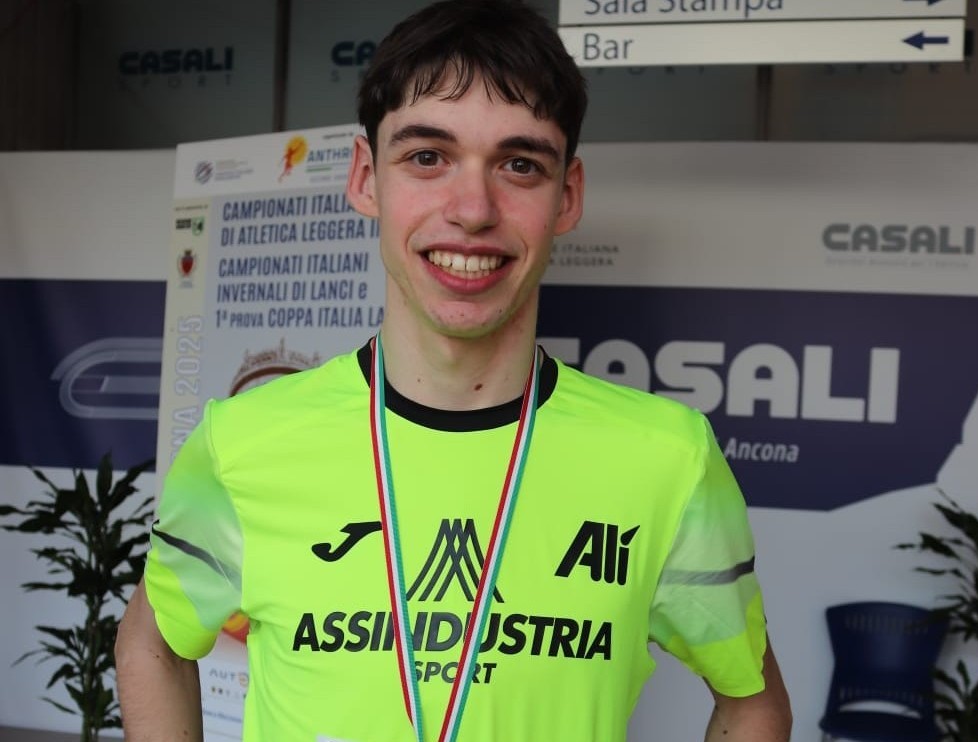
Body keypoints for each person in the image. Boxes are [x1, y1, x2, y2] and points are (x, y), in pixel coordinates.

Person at [115, 1, 792, 740]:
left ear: (566, 197)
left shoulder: (669, 459)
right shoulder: (242, 444)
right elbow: (154, 641)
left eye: (520, 164)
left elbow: (751, 698)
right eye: (427, 157)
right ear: (366, 179)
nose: (472, 209)